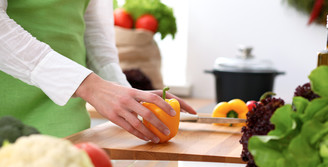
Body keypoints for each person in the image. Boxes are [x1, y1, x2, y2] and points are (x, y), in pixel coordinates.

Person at [0, 0, 196, 143]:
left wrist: (123, 92)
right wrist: (88, 85)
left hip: (72, 131)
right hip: (9, 128)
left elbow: (94, 32)